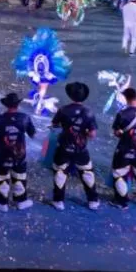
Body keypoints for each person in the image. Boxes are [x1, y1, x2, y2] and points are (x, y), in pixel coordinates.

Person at [50, 81, 99, 210]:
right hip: (81, 149)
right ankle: (93, 201)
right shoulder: (88, 112)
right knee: (87, 173)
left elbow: (54, 125)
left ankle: (58, 201)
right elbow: (93, 134)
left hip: (64, 148)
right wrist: (84, 133)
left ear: (70, 96)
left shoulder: (63, 110)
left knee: (60, 172)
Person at [0, 92, 36, 212]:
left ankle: (1, 203)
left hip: (2, 155)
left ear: (6, 105)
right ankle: (21, 201)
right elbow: (32, 134)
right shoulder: (25, 118)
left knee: (1, 177)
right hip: (20, 155)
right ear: (17, 105)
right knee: (20, 176)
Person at [110, 87, 136, 209]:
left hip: (124, 150)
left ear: (125, 99)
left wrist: (121, 132)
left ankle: (121, 202)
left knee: (119, 175)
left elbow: (116, 133)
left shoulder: (121, 114)